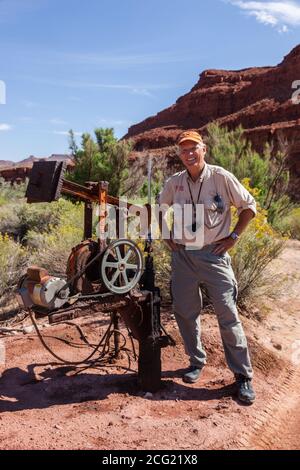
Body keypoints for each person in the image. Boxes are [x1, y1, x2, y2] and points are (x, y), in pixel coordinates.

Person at [157, 130, 256, 404]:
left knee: (227, 313)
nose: (189, 154)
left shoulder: (220, 177)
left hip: (214, 255)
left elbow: (248, 205)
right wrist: (167, 236)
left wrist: (234, 236)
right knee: (185, 311)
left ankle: (243, 376)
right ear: (179, 154)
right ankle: (196, 361)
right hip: (183, 257)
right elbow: (159, 207)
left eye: (193, 148)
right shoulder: (174, 182)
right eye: (183, 150)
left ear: (204, 150)